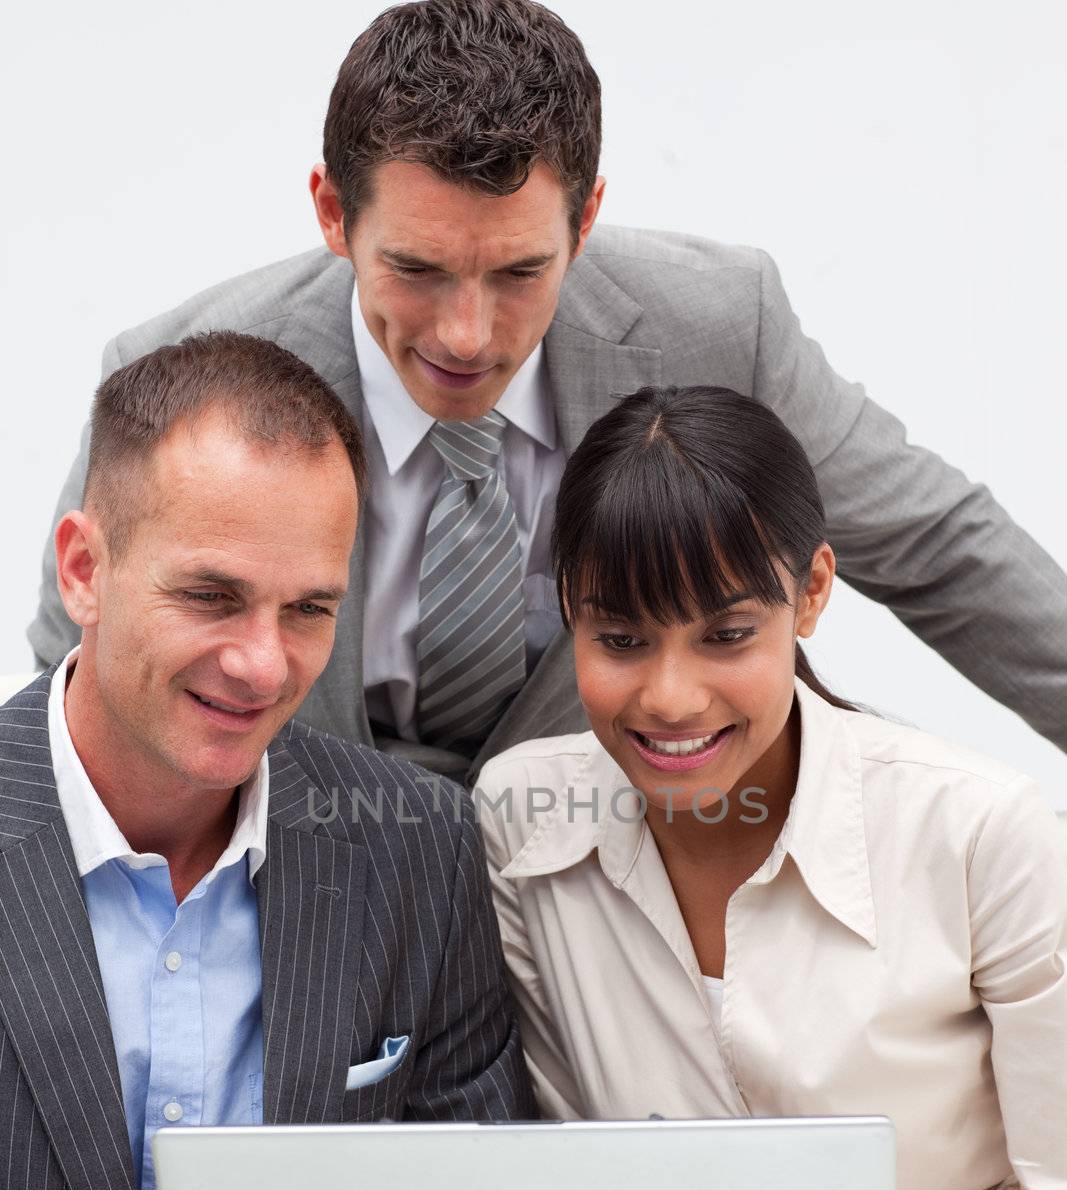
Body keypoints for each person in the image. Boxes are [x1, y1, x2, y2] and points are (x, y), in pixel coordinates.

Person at [27, 0, 1067, 783]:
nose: (466, 336)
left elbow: (938, 549)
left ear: (586, 217)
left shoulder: (716, 324)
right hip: (312, 882)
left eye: (519, 272)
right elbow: (78, 671)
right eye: (418, 270)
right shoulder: (180, 368)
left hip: (630, 871)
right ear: (333, 213)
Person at [473, 385, 1067, 1190]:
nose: (669, 695)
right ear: (566, 612)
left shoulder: (977, 828)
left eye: (726, 634)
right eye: (620, 638)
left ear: (812, 593)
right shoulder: (518, 820)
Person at [0, 330, 531, 1190]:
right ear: (82, 569)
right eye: (211, 595)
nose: (261, 663)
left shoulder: (418, 848)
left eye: (307, 610)